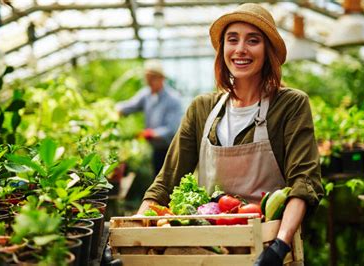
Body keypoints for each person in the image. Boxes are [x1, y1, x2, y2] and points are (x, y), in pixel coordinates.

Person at [137, 3, 323, 266]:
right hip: (208, 250)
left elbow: (305, 182)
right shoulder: (202, 109)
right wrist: (129, 233)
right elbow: (164, 184)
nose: (240, 49)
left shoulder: (290, 105)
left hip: (267, 246)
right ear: (222, 48)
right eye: (232, 39)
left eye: (253, 40)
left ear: (267, 50)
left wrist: (280, 245)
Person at [115, 60, 183, 175]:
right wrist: (115, 109)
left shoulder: (173, 99)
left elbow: (172, 128)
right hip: (156, 148)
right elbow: (131, 106)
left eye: (152, 79)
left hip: (170, 149)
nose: (149, 82)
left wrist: (152, 133)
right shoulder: (146, 94)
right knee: (158, 176)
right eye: (147, 79)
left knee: (170, 179)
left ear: (161, 78)